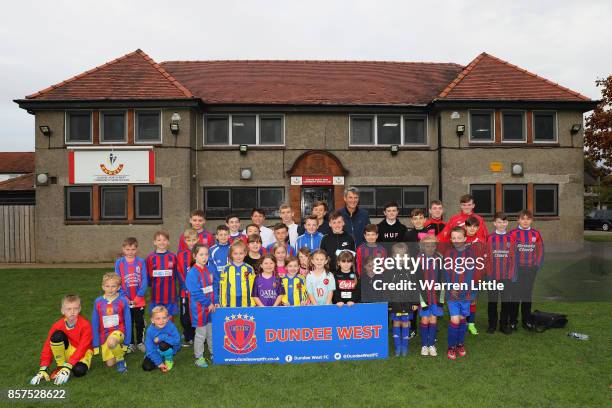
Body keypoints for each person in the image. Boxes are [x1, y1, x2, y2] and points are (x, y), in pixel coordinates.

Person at [30, 295, 93, 385]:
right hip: (68, 350)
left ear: (80, 309)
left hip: (83, 353)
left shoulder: (86, 325)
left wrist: (69, 365)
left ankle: (67, 368)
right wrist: (43, 367)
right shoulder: (57, 325)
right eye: (69, 309)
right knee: (57, 336)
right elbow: (48, 346)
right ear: (62, 311)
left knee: (79, 371)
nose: (72, 312)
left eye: (75, 308)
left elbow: (83, 347)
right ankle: (61, 366)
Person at [443, 227, 479, 360]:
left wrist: (473, 293)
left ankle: (460, 344)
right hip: (453, 294)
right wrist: (450, 287)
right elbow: (446, 274)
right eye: (454, 238)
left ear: (465, 238)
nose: (456, 240)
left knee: (463, 319)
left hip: (467, 294)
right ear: (451, 239)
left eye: (459, 238)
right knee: (455, 319)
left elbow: (475, 276)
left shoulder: (471, 254)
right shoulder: (448, 253)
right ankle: (451, 347)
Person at [509, 210, 544, 331]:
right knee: (515, 296)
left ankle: (527, 321)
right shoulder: (513, 234)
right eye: (523, 218)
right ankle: (513, 321)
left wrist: (536, 265)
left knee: (527, 295)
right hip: (516, 270)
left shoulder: (536, 234)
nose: (525, 221)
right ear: (518, 220)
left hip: (530, 269)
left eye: (528, 219)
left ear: (531, 221)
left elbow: (540, 251)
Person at [91, 272, 132, 373]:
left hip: (119, 332)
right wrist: (95, 343)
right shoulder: (98, 302)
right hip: (105, 334)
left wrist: (127, 341)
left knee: (112, 342)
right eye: (107, 286)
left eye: (113, 286)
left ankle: (121, 360)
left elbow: (128, 322)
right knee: (110, 364)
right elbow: (95, 323)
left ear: (118, 287)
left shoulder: (123, 301)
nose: (110, 289)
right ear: (102, 287)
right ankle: (118, 349)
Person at [115, 237, 147, 353]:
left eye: (133, 249)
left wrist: (138, 297)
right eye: (128, 249)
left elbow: (144, 281)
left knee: (139, 323)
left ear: (136, 249)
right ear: (123, 249)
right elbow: (117, 281)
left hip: (139, 300)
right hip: (125, 300)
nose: (130, 252)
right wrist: (124, 297)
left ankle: (140, 342)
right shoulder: (119, 263)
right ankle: (130, 343)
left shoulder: (141, 262)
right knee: (128, 322)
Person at [186, 244, 216, 368]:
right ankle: (199, 357)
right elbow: (196, 292)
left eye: (206, 254)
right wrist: (208, 303)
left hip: (210, 307)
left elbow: (212, 287)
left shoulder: (208, 270)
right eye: (201, 255)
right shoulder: (192, 272)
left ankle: (214, 352)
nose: (204, 257)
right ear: (194, 256)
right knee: (200, 334)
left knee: (211, 332)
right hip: (199, 308)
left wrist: (214, 301)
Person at [485, 212, 516, 335]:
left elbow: (513, 258)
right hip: (492, 276)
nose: (501, 224)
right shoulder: (490, 238)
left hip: (506, 277)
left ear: (507, 223)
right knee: (492, 301)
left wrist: (511, 274)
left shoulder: (511, 238)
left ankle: (504, 325)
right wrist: (488, 274)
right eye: (499, 222)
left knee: (505, 302)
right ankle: (492, 325)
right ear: (494, 223)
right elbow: (486, 258)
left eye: (504, 222)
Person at [415, 235, 444, 357]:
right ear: (422, 246)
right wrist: (422, 301)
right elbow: (416, 281)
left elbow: (443, 280)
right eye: (427, 245)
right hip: (424, 296)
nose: (430, 248)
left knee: (433, 319)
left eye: (433, 245)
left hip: (436, 296)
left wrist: (441, 300)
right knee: (425, 319)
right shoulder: (418, 259)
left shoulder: (440, 258)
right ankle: (424, 345)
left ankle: (431, 344)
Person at [388, 242, 417, 357]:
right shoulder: (389, 270)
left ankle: (404, 347)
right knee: (396, 322)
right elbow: (387, 288)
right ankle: (397, 347)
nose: (400, 258)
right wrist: (389, 303)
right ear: (393, 257)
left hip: (407, 303)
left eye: (403, 255)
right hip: (395, 303)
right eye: (397, 255)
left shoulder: (411, 270)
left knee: (405, 323)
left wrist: (415, 302)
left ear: (407, 256)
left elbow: (415, 287)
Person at [146, 231, 178, 317]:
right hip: (156, 294)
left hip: (170, 293)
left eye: (164, 240)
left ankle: (170, 330)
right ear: (154, 242)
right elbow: (148, 275)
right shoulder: (150, 257)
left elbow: (175, 274)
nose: (162, 242)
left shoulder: (172, 256)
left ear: (168, 242)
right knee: (157, 316)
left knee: (169, 316)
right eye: (159, 240)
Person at [142, 306, 181, 372]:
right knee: (146, 367)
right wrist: (159, 363)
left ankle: (168, 358)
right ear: (152, 320)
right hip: (156, 350)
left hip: (169, 346)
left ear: (168, 318)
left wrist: (162, 337)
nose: (161, 321)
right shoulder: (150, 331)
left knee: (163, 345)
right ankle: (161, 358)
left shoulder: (171, 326)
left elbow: (177, 341)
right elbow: (150, 348)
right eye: (158, 318)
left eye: (164, 318)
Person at [217, 241, 256, 307]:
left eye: (241, 253)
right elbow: (222, 287)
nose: (238, 256)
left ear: (245, 253)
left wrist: (253, 302)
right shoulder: (226, 269)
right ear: (231, 254)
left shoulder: (249, 269)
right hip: (229, 304)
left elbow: (253, 287)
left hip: (246, 304)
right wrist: (222, 303)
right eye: (235, 254)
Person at [176, 229, 197, 347]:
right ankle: (188, 336)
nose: (191, 242)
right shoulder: (180, 254)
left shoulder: (200, 252)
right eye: (189, 240)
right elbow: (179, 271)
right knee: (185, 315)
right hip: (185, 291)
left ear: (197, 240)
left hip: (197, 291)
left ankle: (196, 335)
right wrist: (185, 285)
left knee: (196, 313)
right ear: (185, 240)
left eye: (194, 240)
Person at [465, 216, 485, 335]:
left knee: (472, 301)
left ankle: (471, 324)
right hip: (461, 278)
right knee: (462, 300)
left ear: (478, 228)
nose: (472, 229)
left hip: (475, 277)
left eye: (475, 227)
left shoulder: (481, 241)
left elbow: (484, 260)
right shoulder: (460, 239)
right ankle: (464, 323)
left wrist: (481, 275)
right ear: (466, 227)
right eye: (469, 226)